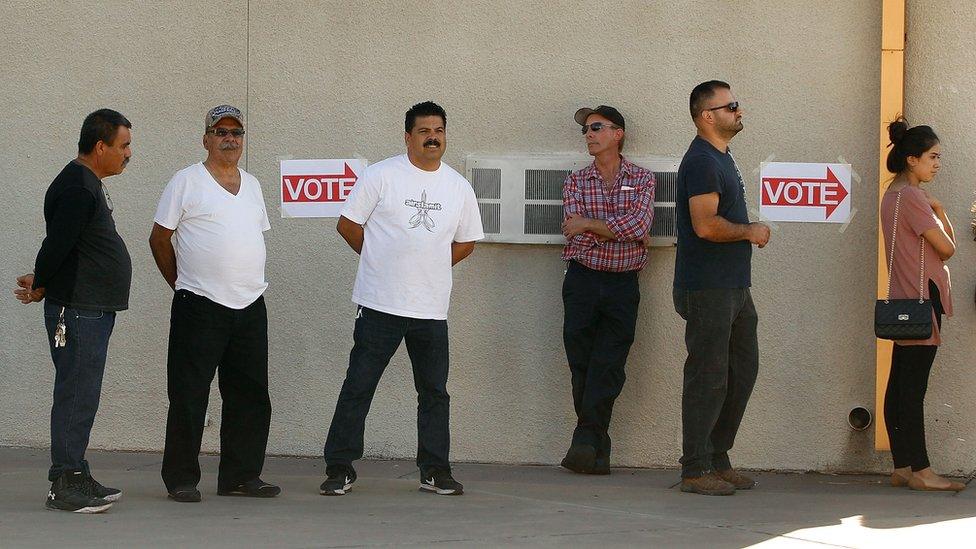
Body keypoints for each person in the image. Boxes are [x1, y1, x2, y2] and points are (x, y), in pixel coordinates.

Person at [321, 101, 484, 496]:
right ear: (408, 136)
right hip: (379, 304)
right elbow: (348, 224)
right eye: (425, 130)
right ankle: (339, 468)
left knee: (434, 392)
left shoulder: (458, 187)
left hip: (430, 309)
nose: (433, 137)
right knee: (358, 385)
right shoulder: (381, 176)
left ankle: (434, 470)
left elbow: (466, 242)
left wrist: (428, 267)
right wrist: (381, 260)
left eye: (439, 131)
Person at [149, 105, 279, 503]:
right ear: (205, 138)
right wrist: (182, 285)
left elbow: (250, 237)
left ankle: (240, 476)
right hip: (200, 305)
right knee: (189, 394)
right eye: (220, 131)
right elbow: (159, 238)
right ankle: (181, 479)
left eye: (236, 132)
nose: (229, 138)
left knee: (250, 395)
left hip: (250, 304)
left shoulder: (253, 184)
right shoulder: (186, 181)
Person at [14, 109, 133, 513]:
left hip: (89, 308)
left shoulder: (86, 182)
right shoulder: (79, 188)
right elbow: (57, 245)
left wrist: (44, 278)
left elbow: (68, 245)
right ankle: (63, 483)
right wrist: (42, 283)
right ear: (100, 146)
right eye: (123, 146)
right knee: (76, 393)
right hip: (79, 310)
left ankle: (77, 472)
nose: (128, 154)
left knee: (83, 393)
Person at [673, 81, 770, 496]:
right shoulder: (701, 162)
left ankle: (717, 457)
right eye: (730, 106)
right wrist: (751, 231)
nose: (739, 110)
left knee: (741, 370)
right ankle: (695, 468)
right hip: (707, 286)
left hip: (733, 285)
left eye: (738, 103)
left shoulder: (723, 158)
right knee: (708, 376)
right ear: (706, 115)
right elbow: (705, 224)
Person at [559, 105, 655, 475]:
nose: (589, 135)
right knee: (581, 362)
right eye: (585, 130)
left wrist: (591, 225)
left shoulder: (643, 179)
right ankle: (596, 445)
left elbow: (640, 224)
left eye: (596, 127)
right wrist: (615, 230)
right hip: (582, 280)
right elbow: (574, 229)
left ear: (618, 133)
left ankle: (586, 439)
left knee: (610, 363)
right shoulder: (575, 181)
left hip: (622, 284)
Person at [880, 118, 963, 492]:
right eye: (932, 156)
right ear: (911, 159)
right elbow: (947, 249)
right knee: (913, 387)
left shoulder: (891, 196)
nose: (937, 163)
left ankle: (902, 466)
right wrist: (941, 210)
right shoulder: (914, 198)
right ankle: (922, 471)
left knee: (899, 383)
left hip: (903, 297)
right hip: (922, 298)